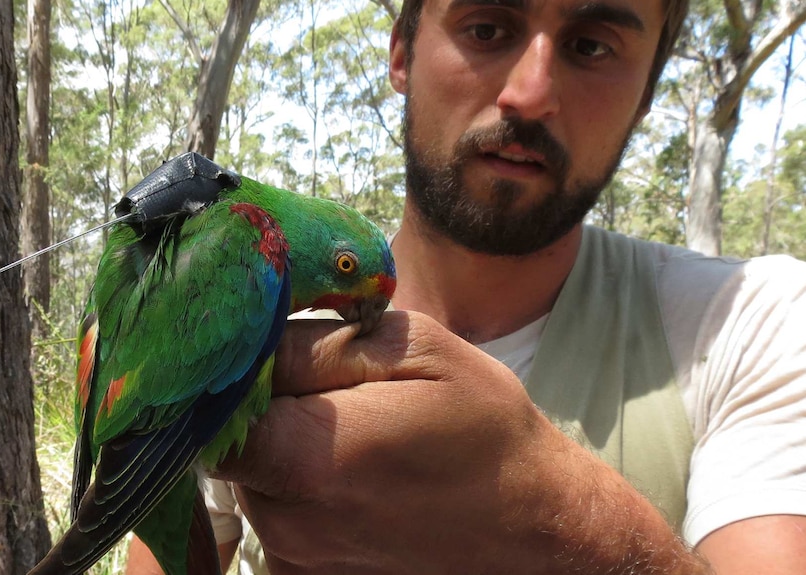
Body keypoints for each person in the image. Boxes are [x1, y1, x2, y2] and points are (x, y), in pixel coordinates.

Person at [127, 0, 806, 572]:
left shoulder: (754, 322)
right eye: (487, 27)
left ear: (648, 96)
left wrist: (558, 518)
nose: (531, 93)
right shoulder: (239, 320)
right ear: (401, 51)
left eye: (592, 46)